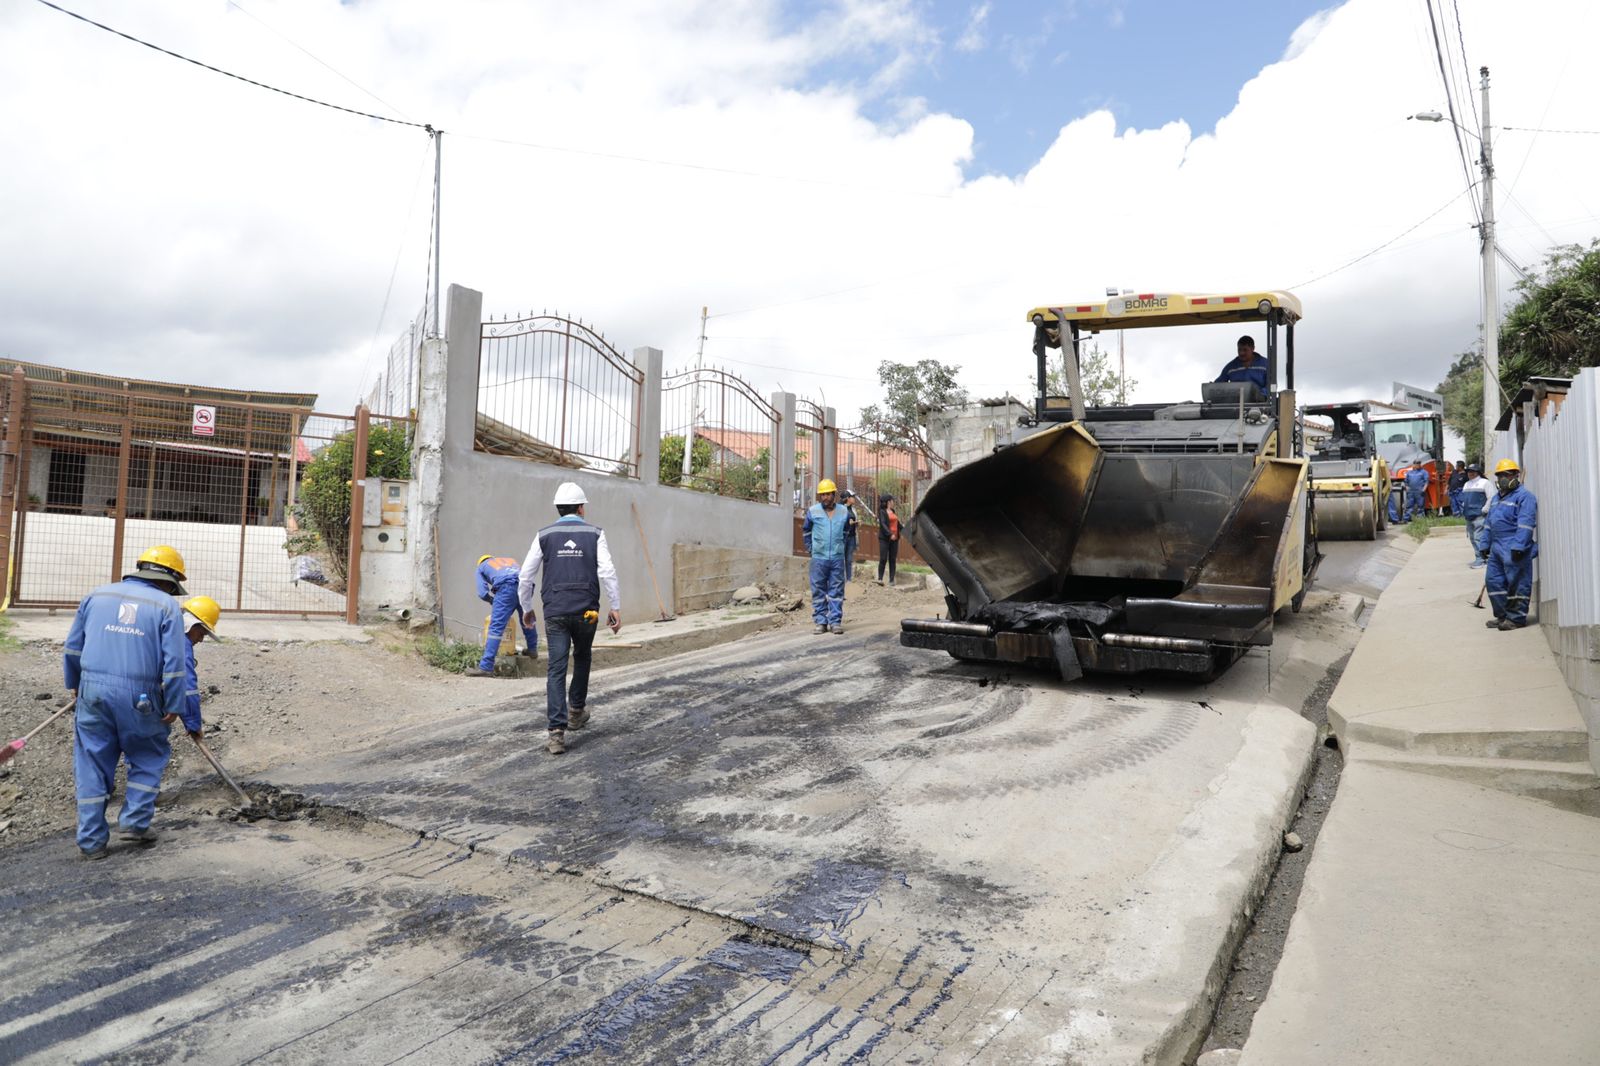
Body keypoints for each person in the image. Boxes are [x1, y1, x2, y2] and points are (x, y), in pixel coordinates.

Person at [63, 545, 191, 859]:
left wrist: (75, 684)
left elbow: (72, 648)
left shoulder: (97, 596)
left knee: (92, 761)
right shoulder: (166, 606)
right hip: (142, 696)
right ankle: (134, 823)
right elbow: (175, 662)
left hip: (92, 690)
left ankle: (91, 842)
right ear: (168, 582)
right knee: (148, 754)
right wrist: (175, 703)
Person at [517, 482, 621, 755]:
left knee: (556, 668)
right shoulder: (595, 533)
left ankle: (556, 733)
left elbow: (526, 576)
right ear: (581, 508)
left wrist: (526, 607)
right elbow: (607, 571)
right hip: (587, 610)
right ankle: (576, 711)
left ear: (558, 509)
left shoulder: (544, 535)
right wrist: (616, 607)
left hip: (555, 611)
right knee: (583, 656)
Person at [1483, 459, 1537, 631]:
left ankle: (1516, 618)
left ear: (1516, 475)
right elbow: (1489, 524)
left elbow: (1526, 524)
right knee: (1493, 581)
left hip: (1513, 546)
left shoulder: (1525, 497)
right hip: (1497, 547)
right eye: (1500, 476)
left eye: (1507, 475)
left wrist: (1519, 546)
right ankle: (1502, 616)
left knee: (1517, 582)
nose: (1503, 479)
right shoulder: (1496, 499)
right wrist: (1484, 544)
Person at [466, 554, 538, 677]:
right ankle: (532, 649)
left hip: (506, 588)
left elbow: (482, 593)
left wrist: (493, 601)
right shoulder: (510, 560)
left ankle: (486, 667)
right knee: (526, 618)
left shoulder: (481, 567)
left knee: (496, 627)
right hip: (525, 585)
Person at [802, 478, 851, 635]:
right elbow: (806, 532)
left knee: (836, 591)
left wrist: (840, 547)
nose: (825, 498)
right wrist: (812, 549)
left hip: (836, 558)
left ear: (834, 495)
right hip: (819, 558)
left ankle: (835, 622)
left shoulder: (843, 511)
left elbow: (845, 531)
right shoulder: (813, 511)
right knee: (818, 590)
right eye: (822, 495)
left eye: (828, 494)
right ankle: (821, 622)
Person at [1460, 462, 1493, 568]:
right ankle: (1478, 558)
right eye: (1469, 471)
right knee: (1473, 538)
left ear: (1477, 472)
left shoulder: (1485, 483)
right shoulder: (1466, 484)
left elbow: (1491, 497)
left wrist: (1484, 510)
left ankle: (1482, 560)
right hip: (1469, 516)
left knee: (1479, 538)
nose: (1470, 473)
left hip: (1480, 516)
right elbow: (1465, 499)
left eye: (1472, 471)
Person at [877, 494, 902, 586]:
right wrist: (890, 534)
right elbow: (883, 525)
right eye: (892, 500)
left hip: (895, 539)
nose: (893, 502)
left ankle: (891, 580)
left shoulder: (893, 511)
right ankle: (880, 579)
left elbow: (898, 524)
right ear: (888, 502)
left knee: (892, 559)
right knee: (883, 558)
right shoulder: (882, 512)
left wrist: (905, 531)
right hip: (885, 538)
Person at [839, 489, 861, 582]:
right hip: (842, 537)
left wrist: (857, 523)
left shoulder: (853, 509)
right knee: (840, 558)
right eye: (853, 497)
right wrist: (847, 523)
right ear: (848, 498)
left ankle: (849, 579)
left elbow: (854, 523)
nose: (854, 498)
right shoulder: (839, 508)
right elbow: (837, 523)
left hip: (851, 536)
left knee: (849, 559)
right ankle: (840, 578)